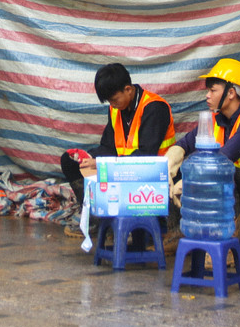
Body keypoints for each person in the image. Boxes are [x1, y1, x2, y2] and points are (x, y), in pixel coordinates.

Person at [58, 62, 176, 237]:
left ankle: (145, 225)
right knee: (70, 161)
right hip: (122, 168)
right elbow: (108, 146)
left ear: (128, 89)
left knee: (102, 167)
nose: (112, 105)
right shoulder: (115, 109)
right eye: (109, 101)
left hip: (152, 174)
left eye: (114, 100)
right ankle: (96, 219)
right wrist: (88, 157)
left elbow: (145, 156)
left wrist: (102, 164)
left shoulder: (154, 108)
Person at [166, 58, 240, 215]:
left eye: (212, 90)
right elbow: (184, 145)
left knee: (224, 170)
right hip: (235, 187)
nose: (207, 95)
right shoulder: (216, 120)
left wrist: (188, 182)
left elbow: (221, 161)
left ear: (231, 93)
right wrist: (168, 169)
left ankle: (220, 226)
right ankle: (180, 227)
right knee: (184, 171)